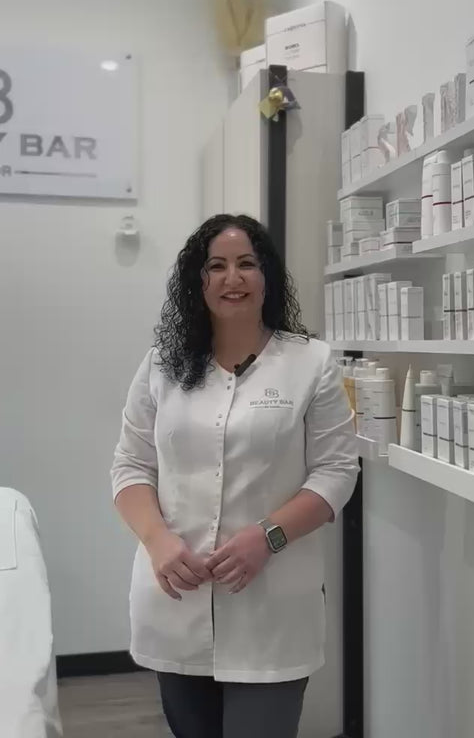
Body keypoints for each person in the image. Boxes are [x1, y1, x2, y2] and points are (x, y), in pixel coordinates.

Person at [111, 214, 359, 738]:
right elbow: (130, 466)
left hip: (273, 605)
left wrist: (268, 537)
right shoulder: (162, 365)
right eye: (216, 266)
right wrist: (157, 540)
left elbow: (336, 471)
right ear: (198, 281)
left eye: (246, 263)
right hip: (176, 598)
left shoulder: (311, 363)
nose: (232, 278)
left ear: (266, 276)